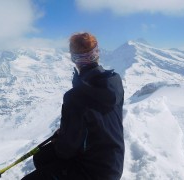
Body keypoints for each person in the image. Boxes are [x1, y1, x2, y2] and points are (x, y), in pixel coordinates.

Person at [22, 32, 125, 180]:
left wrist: (62, 136)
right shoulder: (115, 82)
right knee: (41, 157)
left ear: (74, 59)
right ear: (97, 53)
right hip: (114, 163)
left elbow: (66, 150)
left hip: (93, 172)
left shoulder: (75, 97)